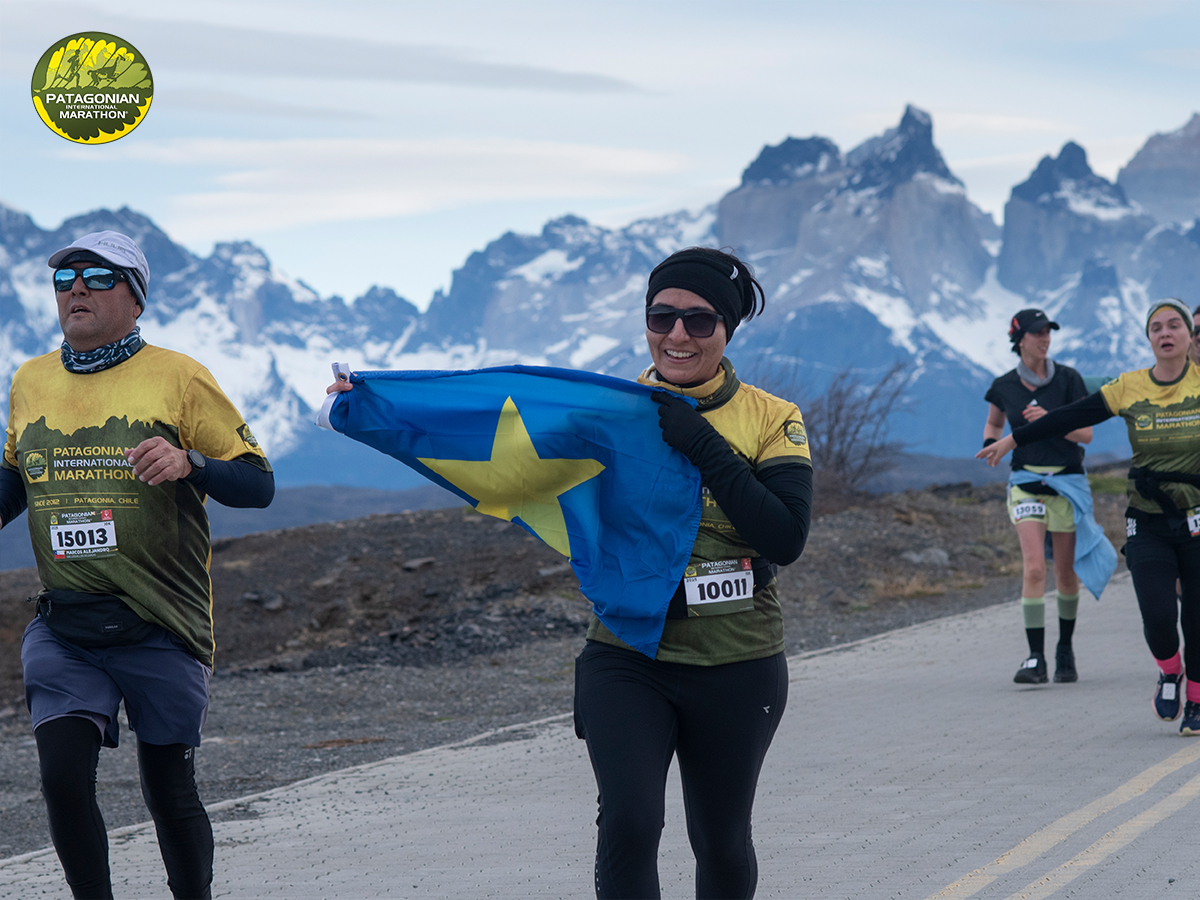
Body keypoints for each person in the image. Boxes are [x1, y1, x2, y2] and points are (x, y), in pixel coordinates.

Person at [324, 247, 812, 898]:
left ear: (727, 329)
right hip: (627, 654)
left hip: (739, 658)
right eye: (661, 317)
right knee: (630, 822)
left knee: (720, 838)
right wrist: (380, 407)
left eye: (699, 321)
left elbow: (784, 537)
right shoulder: (608, 414)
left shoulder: (773, 418)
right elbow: (491, 439)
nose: (677, 334)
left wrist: (700, 442)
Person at [0, 231, 275, 899]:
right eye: (64, 278)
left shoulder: (179, 376)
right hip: (66, 626)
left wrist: (191, 463)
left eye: (97, 276)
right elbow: (15, 480)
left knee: (168, 791)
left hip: (161, 623)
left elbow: (258, 483)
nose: (76, 288)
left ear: (135, 297)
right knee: (63, 780)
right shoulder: (31, 379)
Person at [979, 298, 1200, 736]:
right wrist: (1011, 441)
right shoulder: (1130, 386)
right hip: (1147, 519)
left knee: (1195, 616)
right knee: (1158, 615)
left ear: (1189, 336)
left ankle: (1195, 697)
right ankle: (1169, 670)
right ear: (1149, 338)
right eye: (1156, 327)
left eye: (1174, 325)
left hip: (1197, 518)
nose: (1166, 333)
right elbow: (1070, 417)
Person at [982, 309, 1093, 684]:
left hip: (1067, 483)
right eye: (1037, 332)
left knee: (1065, 572)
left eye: (1048, 332)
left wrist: (1050, 419)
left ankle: (1065, 649)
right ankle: (1035, 658)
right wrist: (991, 443)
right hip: (1026, 481)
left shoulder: (1069, 379)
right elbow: (995, 421)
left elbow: (1086, 434)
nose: (1045, 338)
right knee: (1033, 568)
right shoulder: (1004, 386)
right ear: (1019, 340)